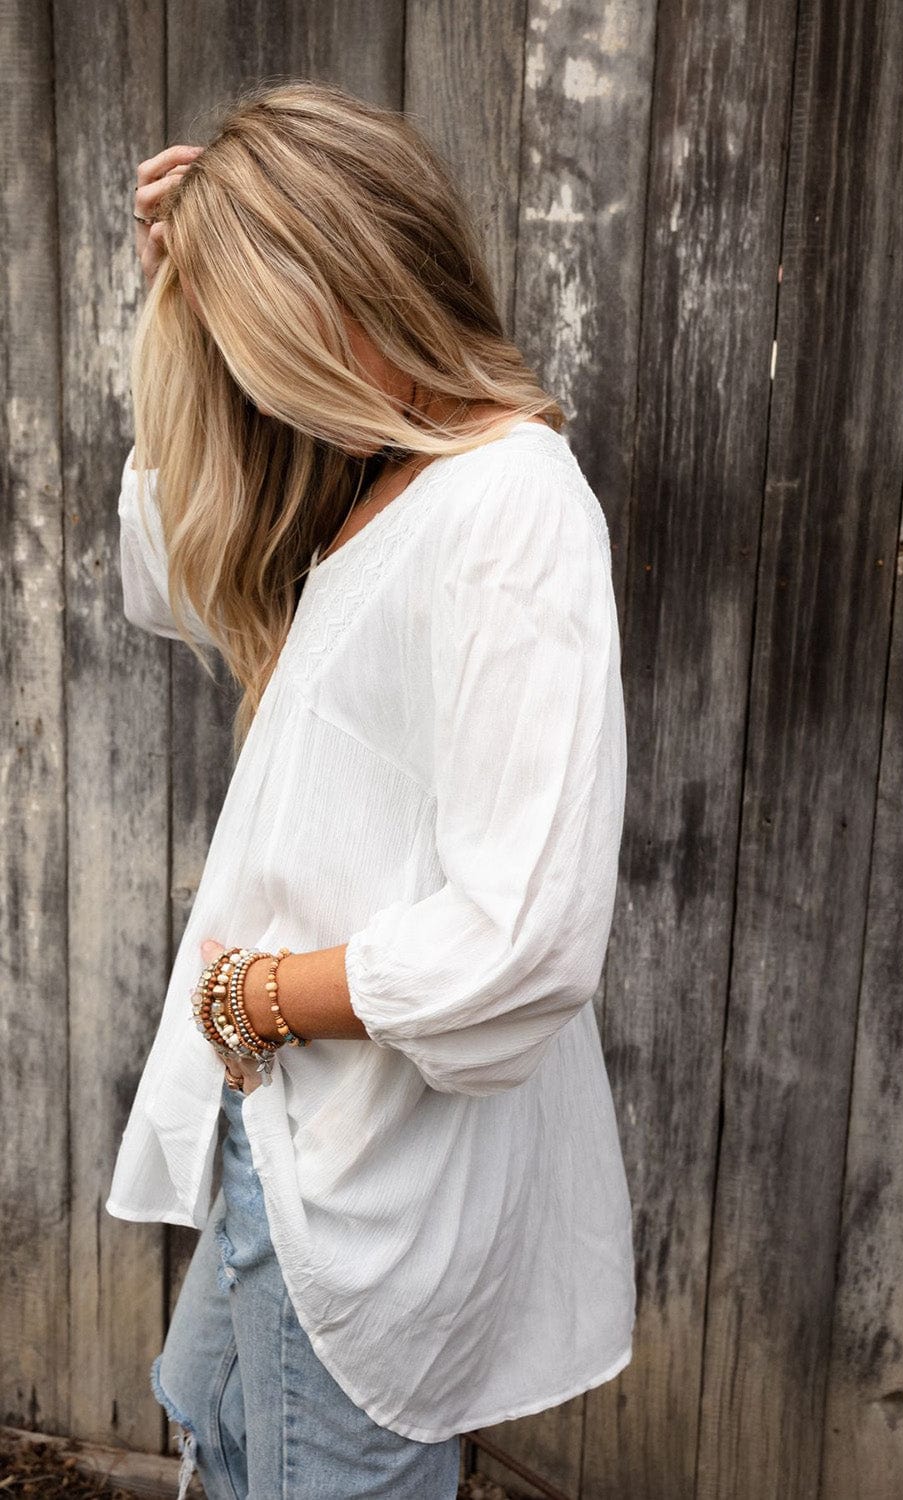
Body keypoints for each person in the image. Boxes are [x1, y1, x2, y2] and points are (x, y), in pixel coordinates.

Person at [106, 79, 635, 1500]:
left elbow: (525, 934)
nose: (251, 377)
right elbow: (168, 577)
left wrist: (254, 1000)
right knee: (222, 1449)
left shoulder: (508, 503)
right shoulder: (367, 479)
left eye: (259, 337)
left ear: (359, 294)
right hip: (282, 1136)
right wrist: (175, 301)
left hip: (366, 1175)